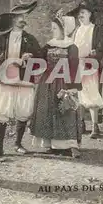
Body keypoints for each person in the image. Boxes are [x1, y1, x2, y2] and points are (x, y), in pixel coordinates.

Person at [0, 1, 41, 157]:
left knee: (23, 111)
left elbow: (41, 57)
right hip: (5, 80)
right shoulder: (2, 39)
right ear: (13, 19)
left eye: (24, 16)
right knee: (1, 112)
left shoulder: (30, 39)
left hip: (24, 79)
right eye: (20, 16)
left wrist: (32, 57)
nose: (23, 19)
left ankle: (18, 144)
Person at [30, 11, 82, 158]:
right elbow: (39, 58)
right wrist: (30, 56)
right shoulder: (48, 45)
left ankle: (68, 145)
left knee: (64, 110)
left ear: (63, 29)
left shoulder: (71, 47)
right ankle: (51, 144)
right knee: (48, 110)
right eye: (52, 28)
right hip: (47, 82)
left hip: (64, 82)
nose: (52, 31)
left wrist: (72, 87)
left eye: (54, 28)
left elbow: (74, 67)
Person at [67, 2, 103, 139]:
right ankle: (81, 123)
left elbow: (101, 46)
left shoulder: (95, 29)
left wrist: (95, 54)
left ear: (89, 14)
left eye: (83, 13)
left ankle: (95, 126)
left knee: (92, 92)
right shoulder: (76, 30)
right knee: (79, 94)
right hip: (77, 65)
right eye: (79, 14)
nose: (80, 16)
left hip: (89, 63)